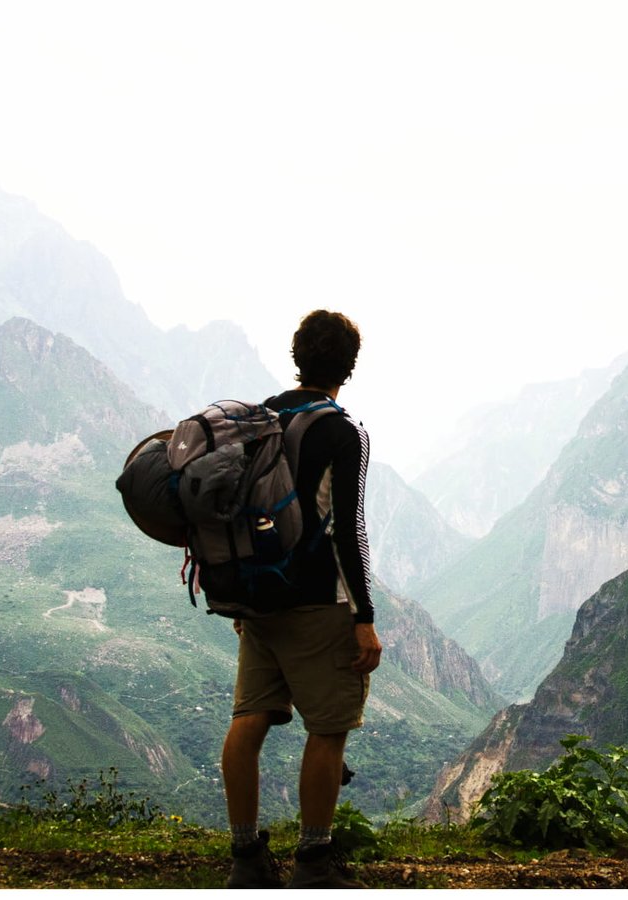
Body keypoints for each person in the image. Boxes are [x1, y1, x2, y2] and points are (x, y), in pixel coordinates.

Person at [223, 310, 383, 890]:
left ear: (297, 357)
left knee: (250, 718)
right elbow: (348, 528)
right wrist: (364, 617)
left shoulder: (259, 418)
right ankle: (313, 861)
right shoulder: (345, 433)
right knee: (329, 727)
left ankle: (245, 854)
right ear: (349, 367)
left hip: (259, 599)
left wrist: (241, 600)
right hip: (317, 601)